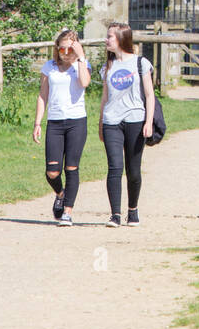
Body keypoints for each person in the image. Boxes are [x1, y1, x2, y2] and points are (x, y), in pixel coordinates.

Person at [33, 29, 91, 227]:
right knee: (52, 172)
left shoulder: (81, 65)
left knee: (71, 167)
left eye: (70, 49)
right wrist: (37, 123)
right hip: (55, 123)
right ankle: (60, 193)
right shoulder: (49, 67)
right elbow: (43, 95)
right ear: (56, 49)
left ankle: (67, 211)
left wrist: (81, 57)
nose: (65, 53)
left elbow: (84, 83)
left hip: (76, 122)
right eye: (62, 49)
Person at [99, 22, 154, 227]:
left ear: (121, 39)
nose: (106, 40)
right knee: (114, 167)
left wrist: (148, 121)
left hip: (135, 120)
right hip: (111, 121)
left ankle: (133, 209)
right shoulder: (107, 67)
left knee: (133, 170)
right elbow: (105, 98)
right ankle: (115, 214)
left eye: (109, 37)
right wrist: (100, 123)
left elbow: (149, 95)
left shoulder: (141, 63)